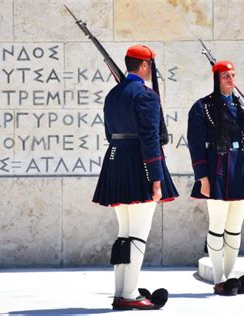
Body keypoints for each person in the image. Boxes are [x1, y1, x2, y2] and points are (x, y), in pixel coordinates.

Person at [93, 45, 178, 310]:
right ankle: (129, 295)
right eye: (151, 66)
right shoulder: (146, 95)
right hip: (139, 162)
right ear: (143, 66)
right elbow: (150, 139)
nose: (152, 71)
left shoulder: (113, 94)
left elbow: (109, 133)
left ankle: (121, 292)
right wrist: (155, 178)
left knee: (125, 234)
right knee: (138, 234)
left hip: (116, 159)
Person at [187, 60, 244, 295]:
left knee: (235, 228)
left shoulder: (241, 107)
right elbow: (196, 146)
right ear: (217, 79)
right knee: (217, 227)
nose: (231, 79)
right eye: (226, 76)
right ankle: (219, 278)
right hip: (216, 168)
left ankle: (230, 277)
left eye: (233, 75)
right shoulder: (203, 107)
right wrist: (203, 178)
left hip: (240, 167)